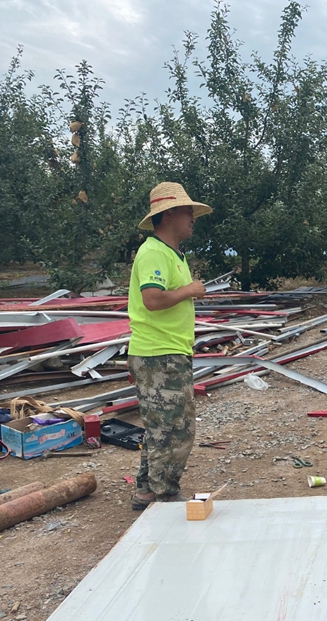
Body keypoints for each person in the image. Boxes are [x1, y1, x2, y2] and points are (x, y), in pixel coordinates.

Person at [128, 182, 212, 510]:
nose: (193, 217)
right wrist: (189, 290)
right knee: (176, 429)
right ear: (169, 214)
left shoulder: (172, 254)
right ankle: (164, 495)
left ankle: (146, 491)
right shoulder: (154, 253)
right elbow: (152, 299)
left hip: (166, 352)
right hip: (159, 354)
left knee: (160, 426)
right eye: (188, 210)